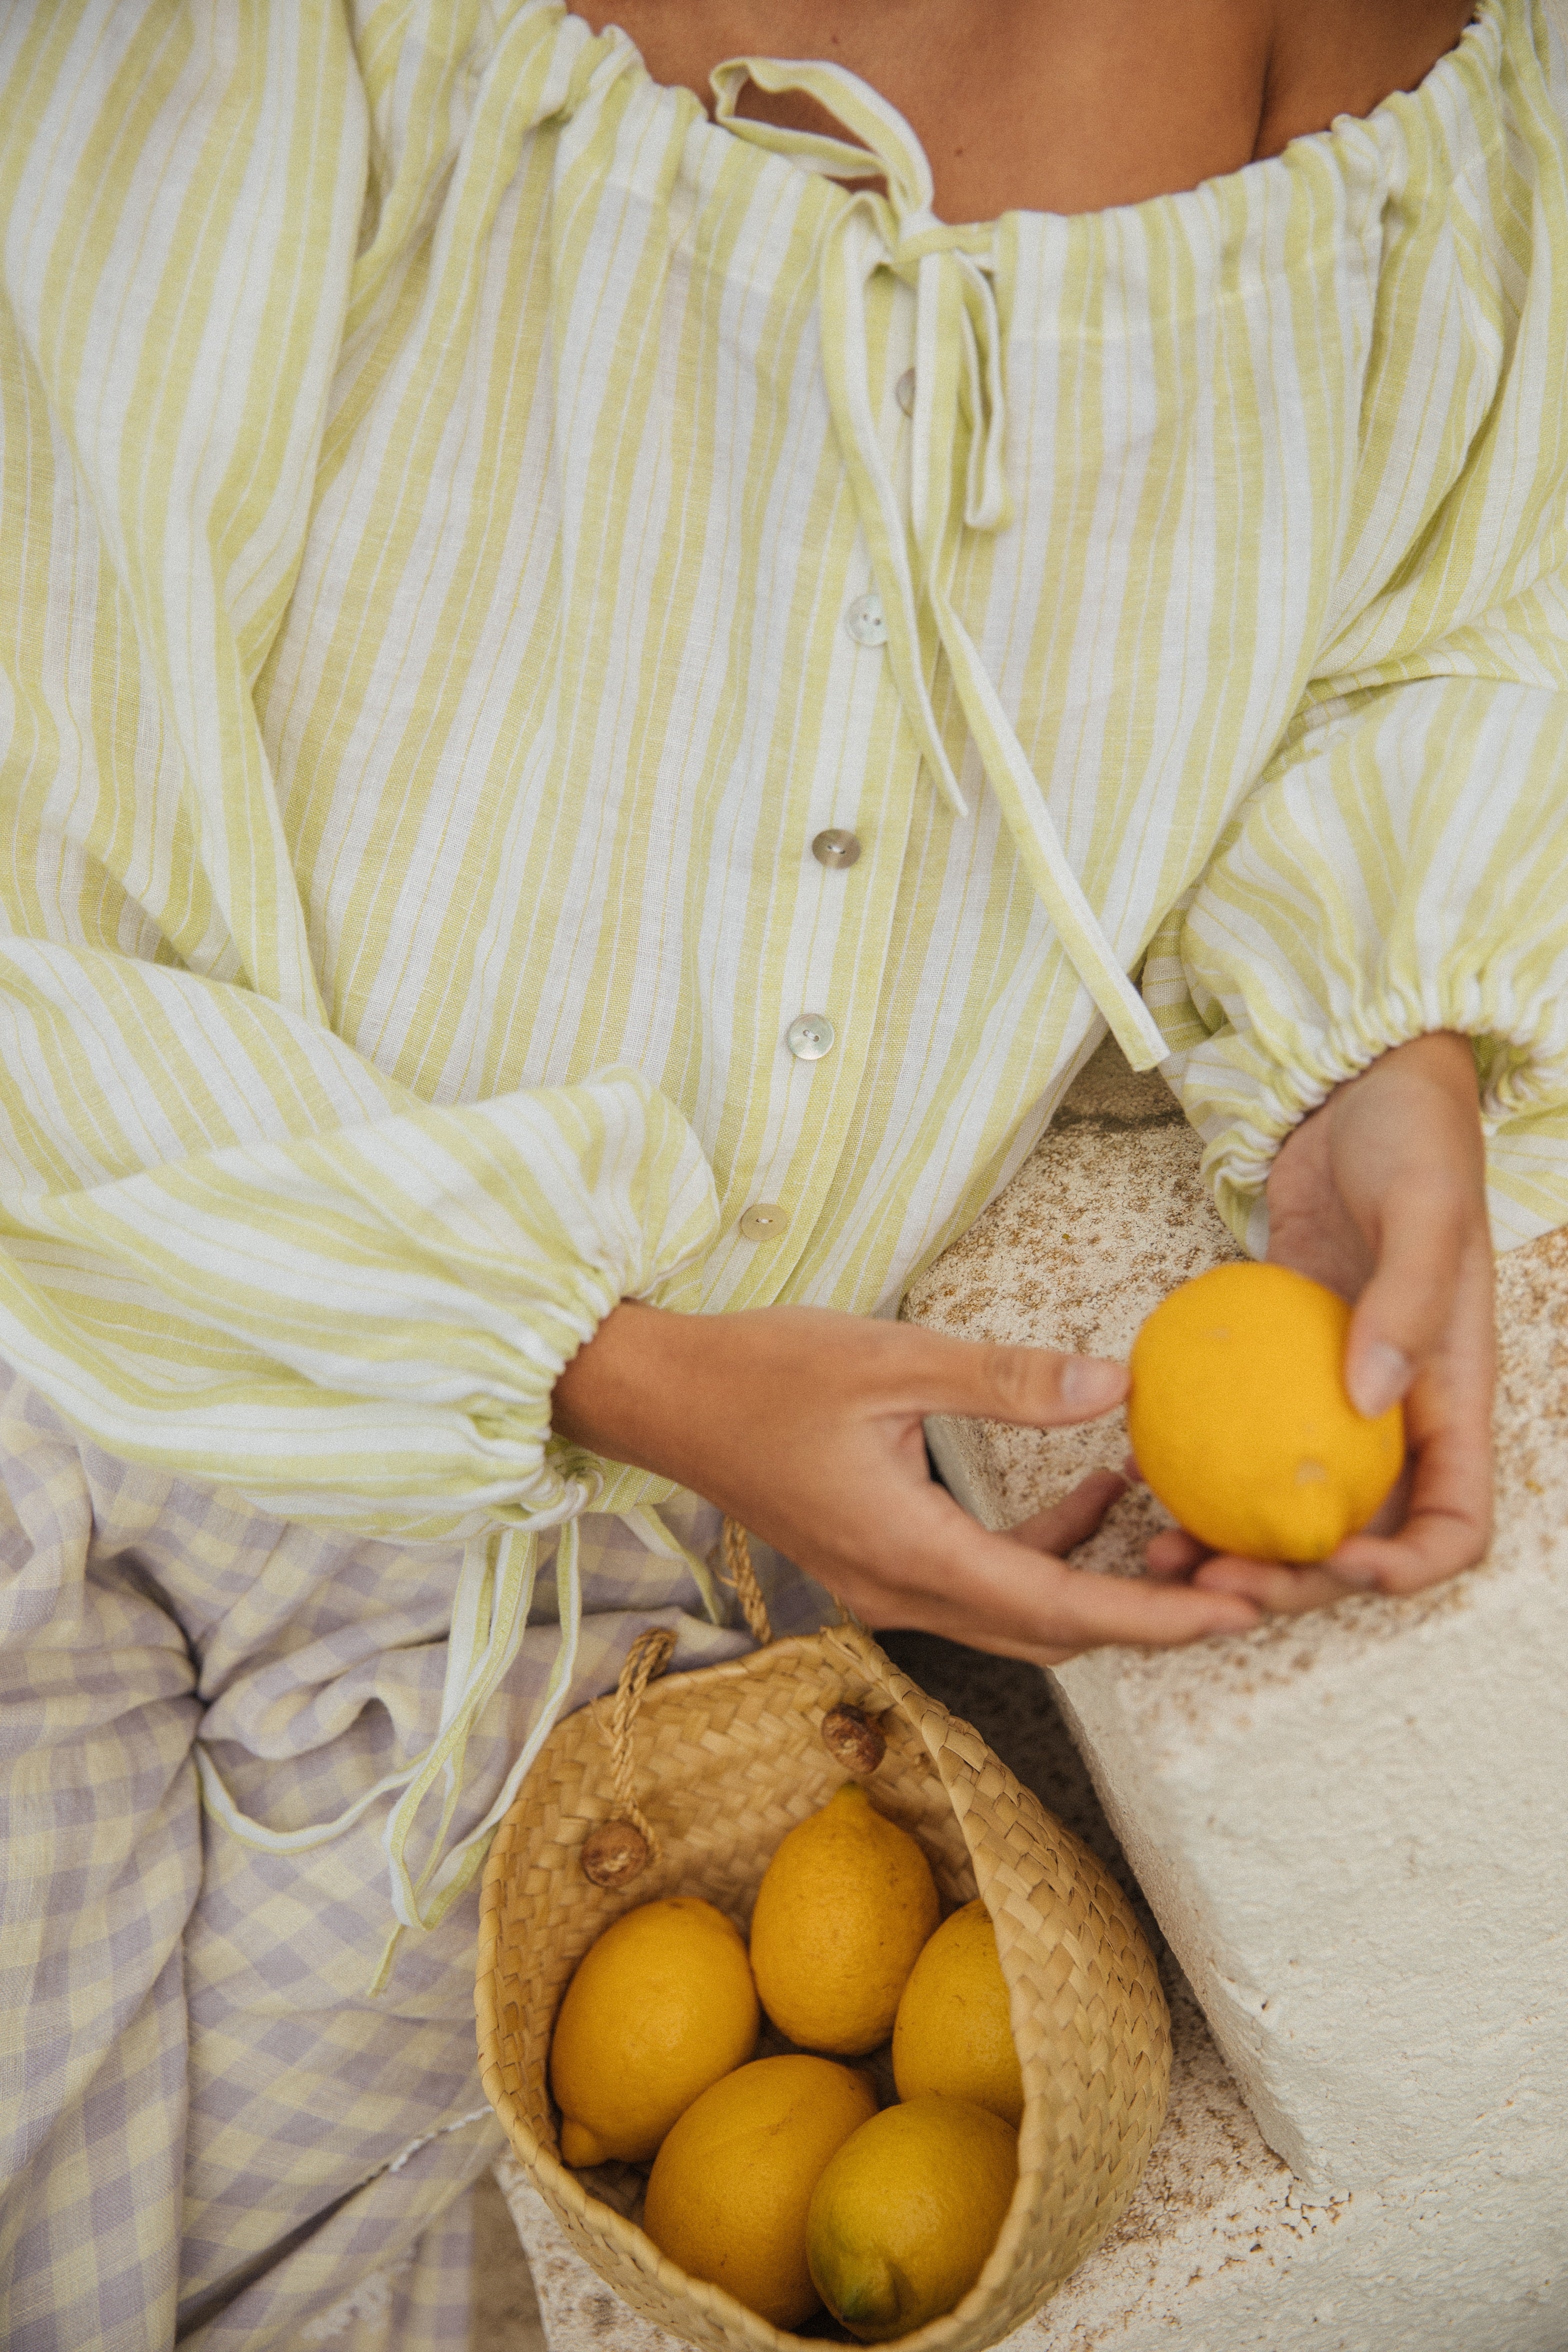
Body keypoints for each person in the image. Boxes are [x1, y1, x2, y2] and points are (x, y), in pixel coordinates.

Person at [2, 0, 1565, 2342]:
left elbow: (1432, 643)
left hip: (591, 1652)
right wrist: (590, 1352)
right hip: (70, 1336)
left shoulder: (1473, 128)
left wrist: (1377, 1060)